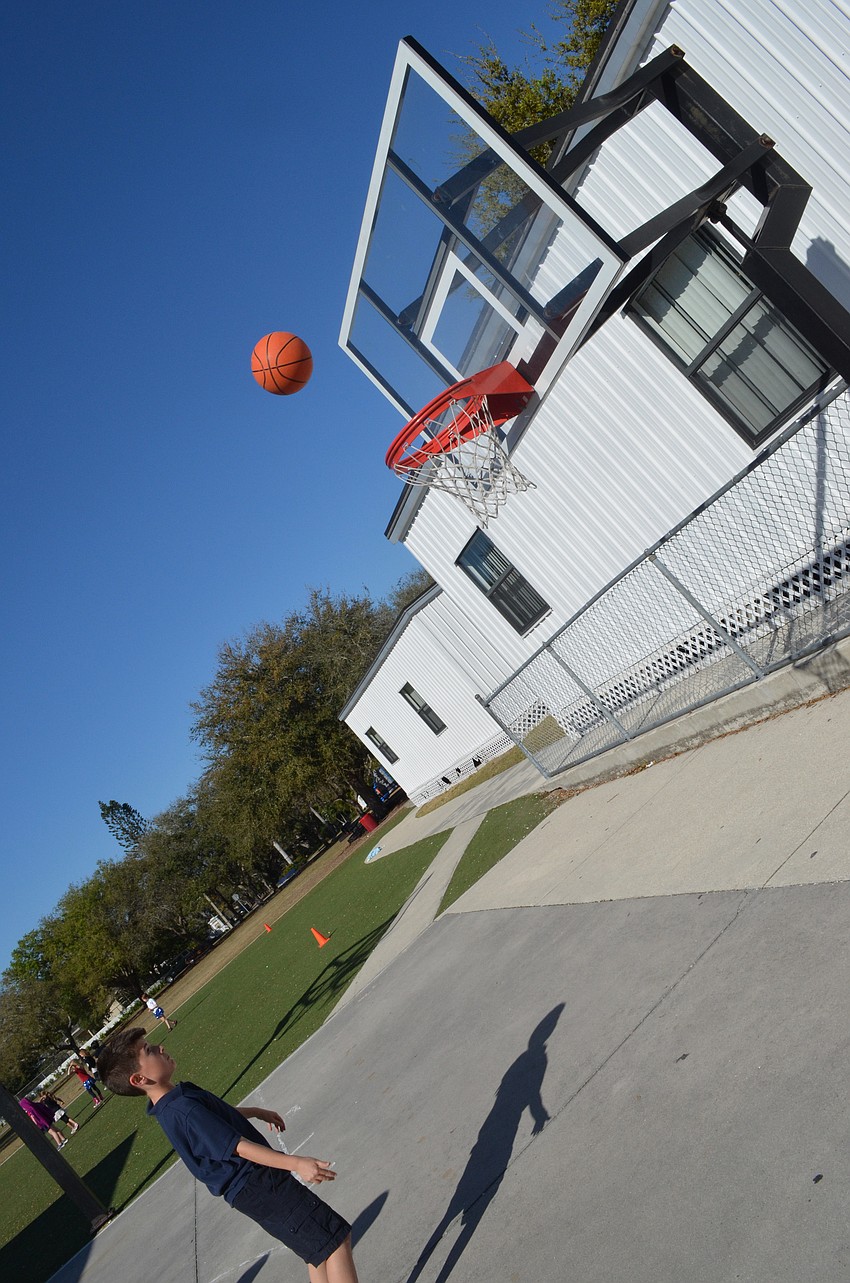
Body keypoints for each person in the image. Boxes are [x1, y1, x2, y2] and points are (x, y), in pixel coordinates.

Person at [97, 1029, 359, 1283]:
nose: (160, 1048)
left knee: (319, 1253)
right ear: (139, 1080)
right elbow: (237, 1145)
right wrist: (297, 1163)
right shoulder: (182, 1109)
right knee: (334, 1241)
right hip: (259, 1184)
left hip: (252, 1190)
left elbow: (216, 1118)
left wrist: (255, 1111)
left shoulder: (173, 1102)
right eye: (149, 1050)